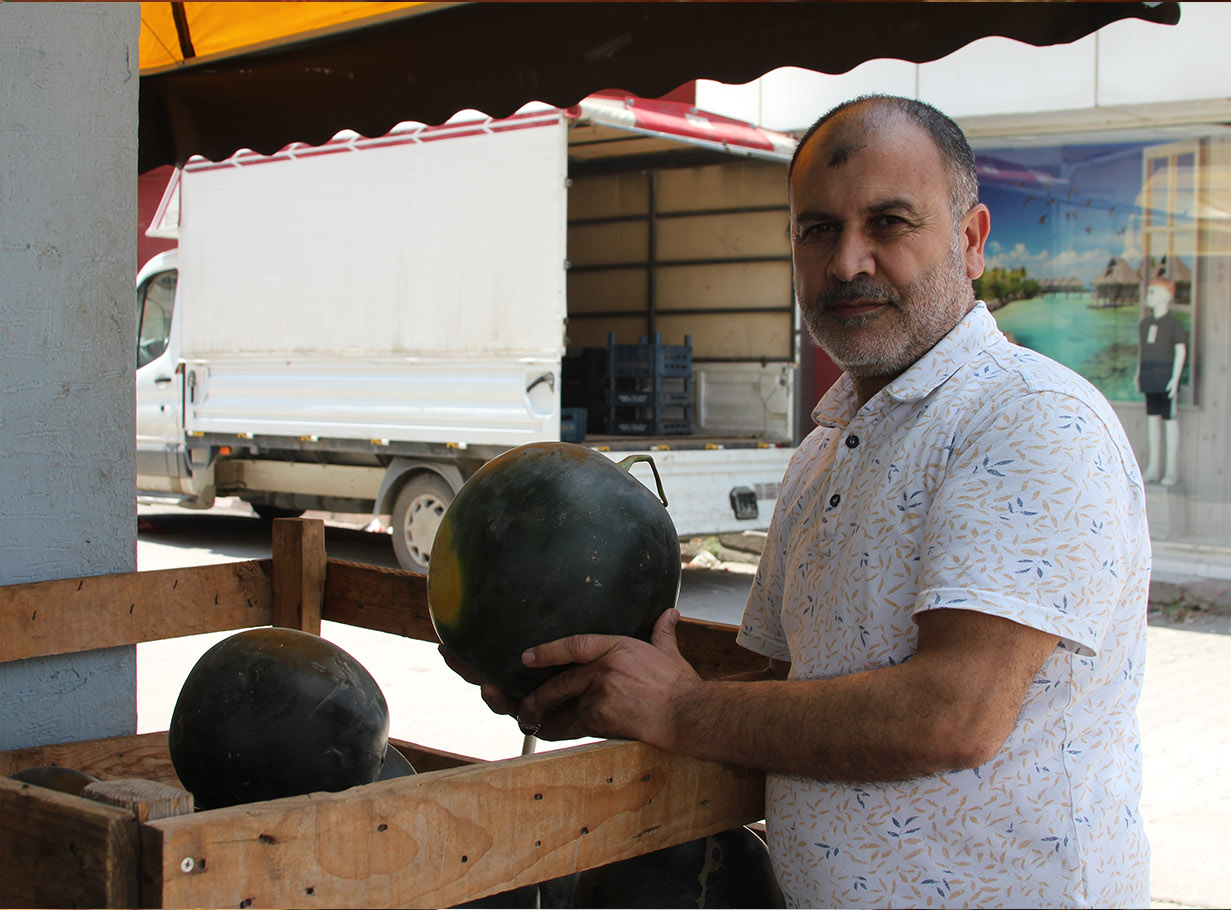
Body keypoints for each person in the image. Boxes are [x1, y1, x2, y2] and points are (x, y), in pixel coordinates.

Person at [443, 95, 1151, 908]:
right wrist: (609, 694)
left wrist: (681, 710)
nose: (847, 262)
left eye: (888, 223)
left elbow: (954, 714)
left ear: (970, 239)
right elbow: (789, 688)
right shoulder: (825, 449)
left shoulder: (1030, 418)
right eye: (817, 229)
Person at [1136, 276, 1187, 486]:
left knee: (1169, 420)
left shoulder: (1174, 325)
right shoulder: (1145, 324)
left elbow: (1181, 351)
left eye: (1153, 292)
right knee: (1152, 420)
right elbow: (1143, 351)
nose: (1148, 296)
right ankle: (1153, 467)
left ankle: (1171, 470)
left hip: (1166, 380)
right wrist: (1138, 373)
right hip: (1149, 379)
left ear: (1167, 296)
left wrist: (1175, 379)